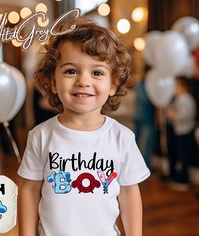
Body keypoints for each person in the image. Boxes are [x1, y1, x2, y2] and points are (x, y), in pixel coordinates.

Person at [17, 18, 150, 236]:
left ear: (114, 84)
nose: (83, 81)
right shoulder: (41, 135)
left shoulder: (121, 137)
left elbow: (128, 192)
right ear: (52, 81)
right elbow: (29, 190)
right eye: (71, 71)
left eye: (97, 72)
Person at [167, 76, 198, 191]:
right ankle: (180, 178)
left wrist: (171, 114)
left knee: (184, 157)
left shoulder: (186, 99)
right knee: (181, 156)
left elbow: (183, 116)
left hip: (185, 132)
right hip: (180, 131)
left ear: (184, 87)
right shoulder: (180, 99)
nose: (174, 89)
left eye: (176, 86)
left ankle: (184, 181)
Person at [134, 67, 156, 169]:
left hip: (143, 116)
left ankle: (141, 167)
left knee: (143, 144)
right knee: (144, 144)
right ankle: (144, 168)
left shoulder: (144, 85)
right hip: (144, 117)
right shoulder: (143, 86)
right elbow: (146, 101)